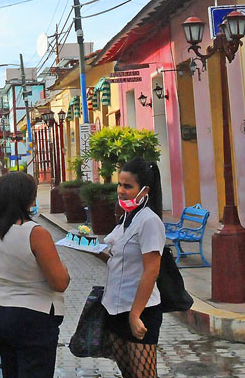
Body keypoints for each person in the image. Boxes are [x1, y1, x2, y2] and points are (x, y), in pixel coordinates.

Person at [0, 172, 69, 378]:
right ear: (27, 199)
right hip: (33, 317)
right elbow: (59, 282)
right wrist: (65, 270)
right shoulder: (35, 232)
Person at [94, 158, 166, 378]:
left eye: (128, 186)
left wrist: (135, 315)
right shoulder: (127, 218)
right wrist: (91, 249)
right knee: (128, 374)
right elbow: (119, 260)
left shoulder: (149, 221)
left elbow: (151, 270)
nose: (121, 191)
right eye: (119, 184)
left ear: (144, 191)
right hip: (114, 309)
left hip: (140, 312)